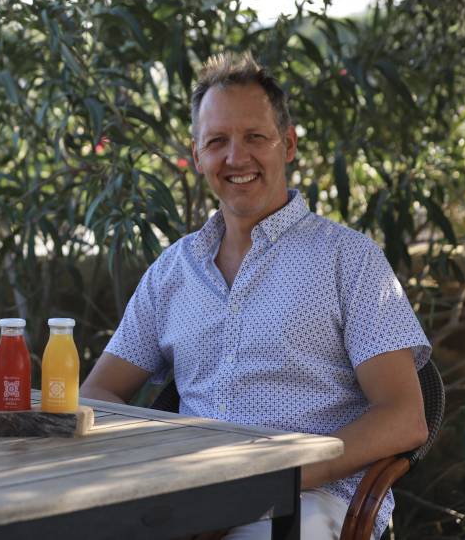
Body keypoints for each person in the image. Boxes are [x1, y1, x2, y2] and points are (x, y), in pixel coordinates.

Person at [79, 52, 431, 539]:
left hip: (309, 500)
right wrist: (163, 463)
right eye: (217, 141)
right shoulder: (172, 271)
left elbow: (404, 417)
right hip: (190, 500)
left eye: (255, 137)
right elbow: (97, 393)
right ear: (198, 154)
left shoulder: (349, 259)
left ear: (287, 145)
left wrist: (277, 477)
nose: (235, 157)